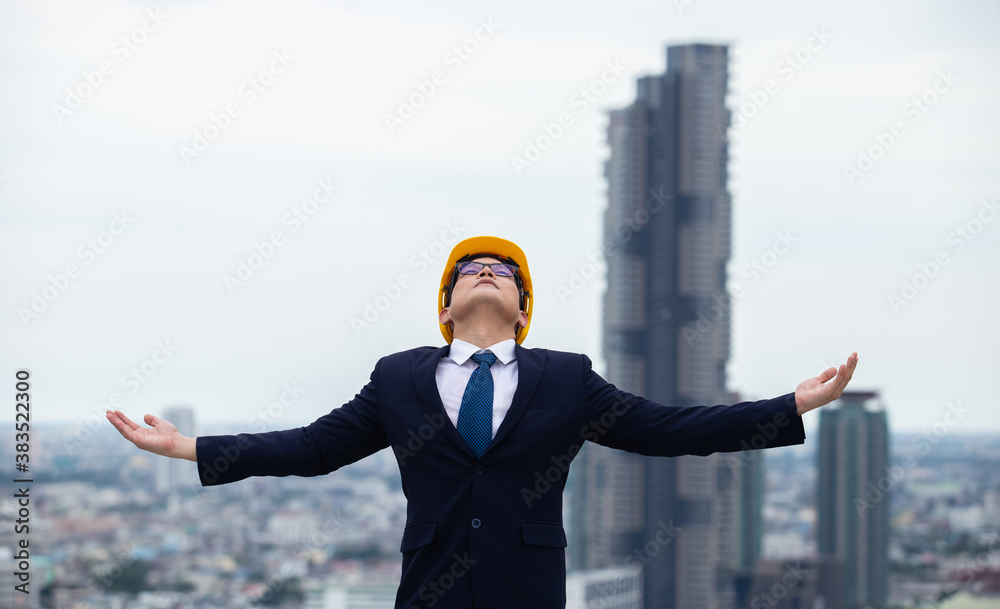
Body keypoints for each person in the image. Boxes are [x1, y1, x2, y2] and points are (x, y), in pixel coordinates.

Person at [107, 235, 859, 609]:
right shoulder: (398, 376)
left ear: (524, 314)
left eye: (505, 270)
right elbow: (313, 448)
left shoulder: (565, 377)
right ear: (445, 309)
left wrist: (789, 405)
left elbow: (667, 428)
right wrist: (187, 446)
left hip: (528, 591)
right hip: (430, 589)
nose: (489, 270)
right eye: (471, 268)